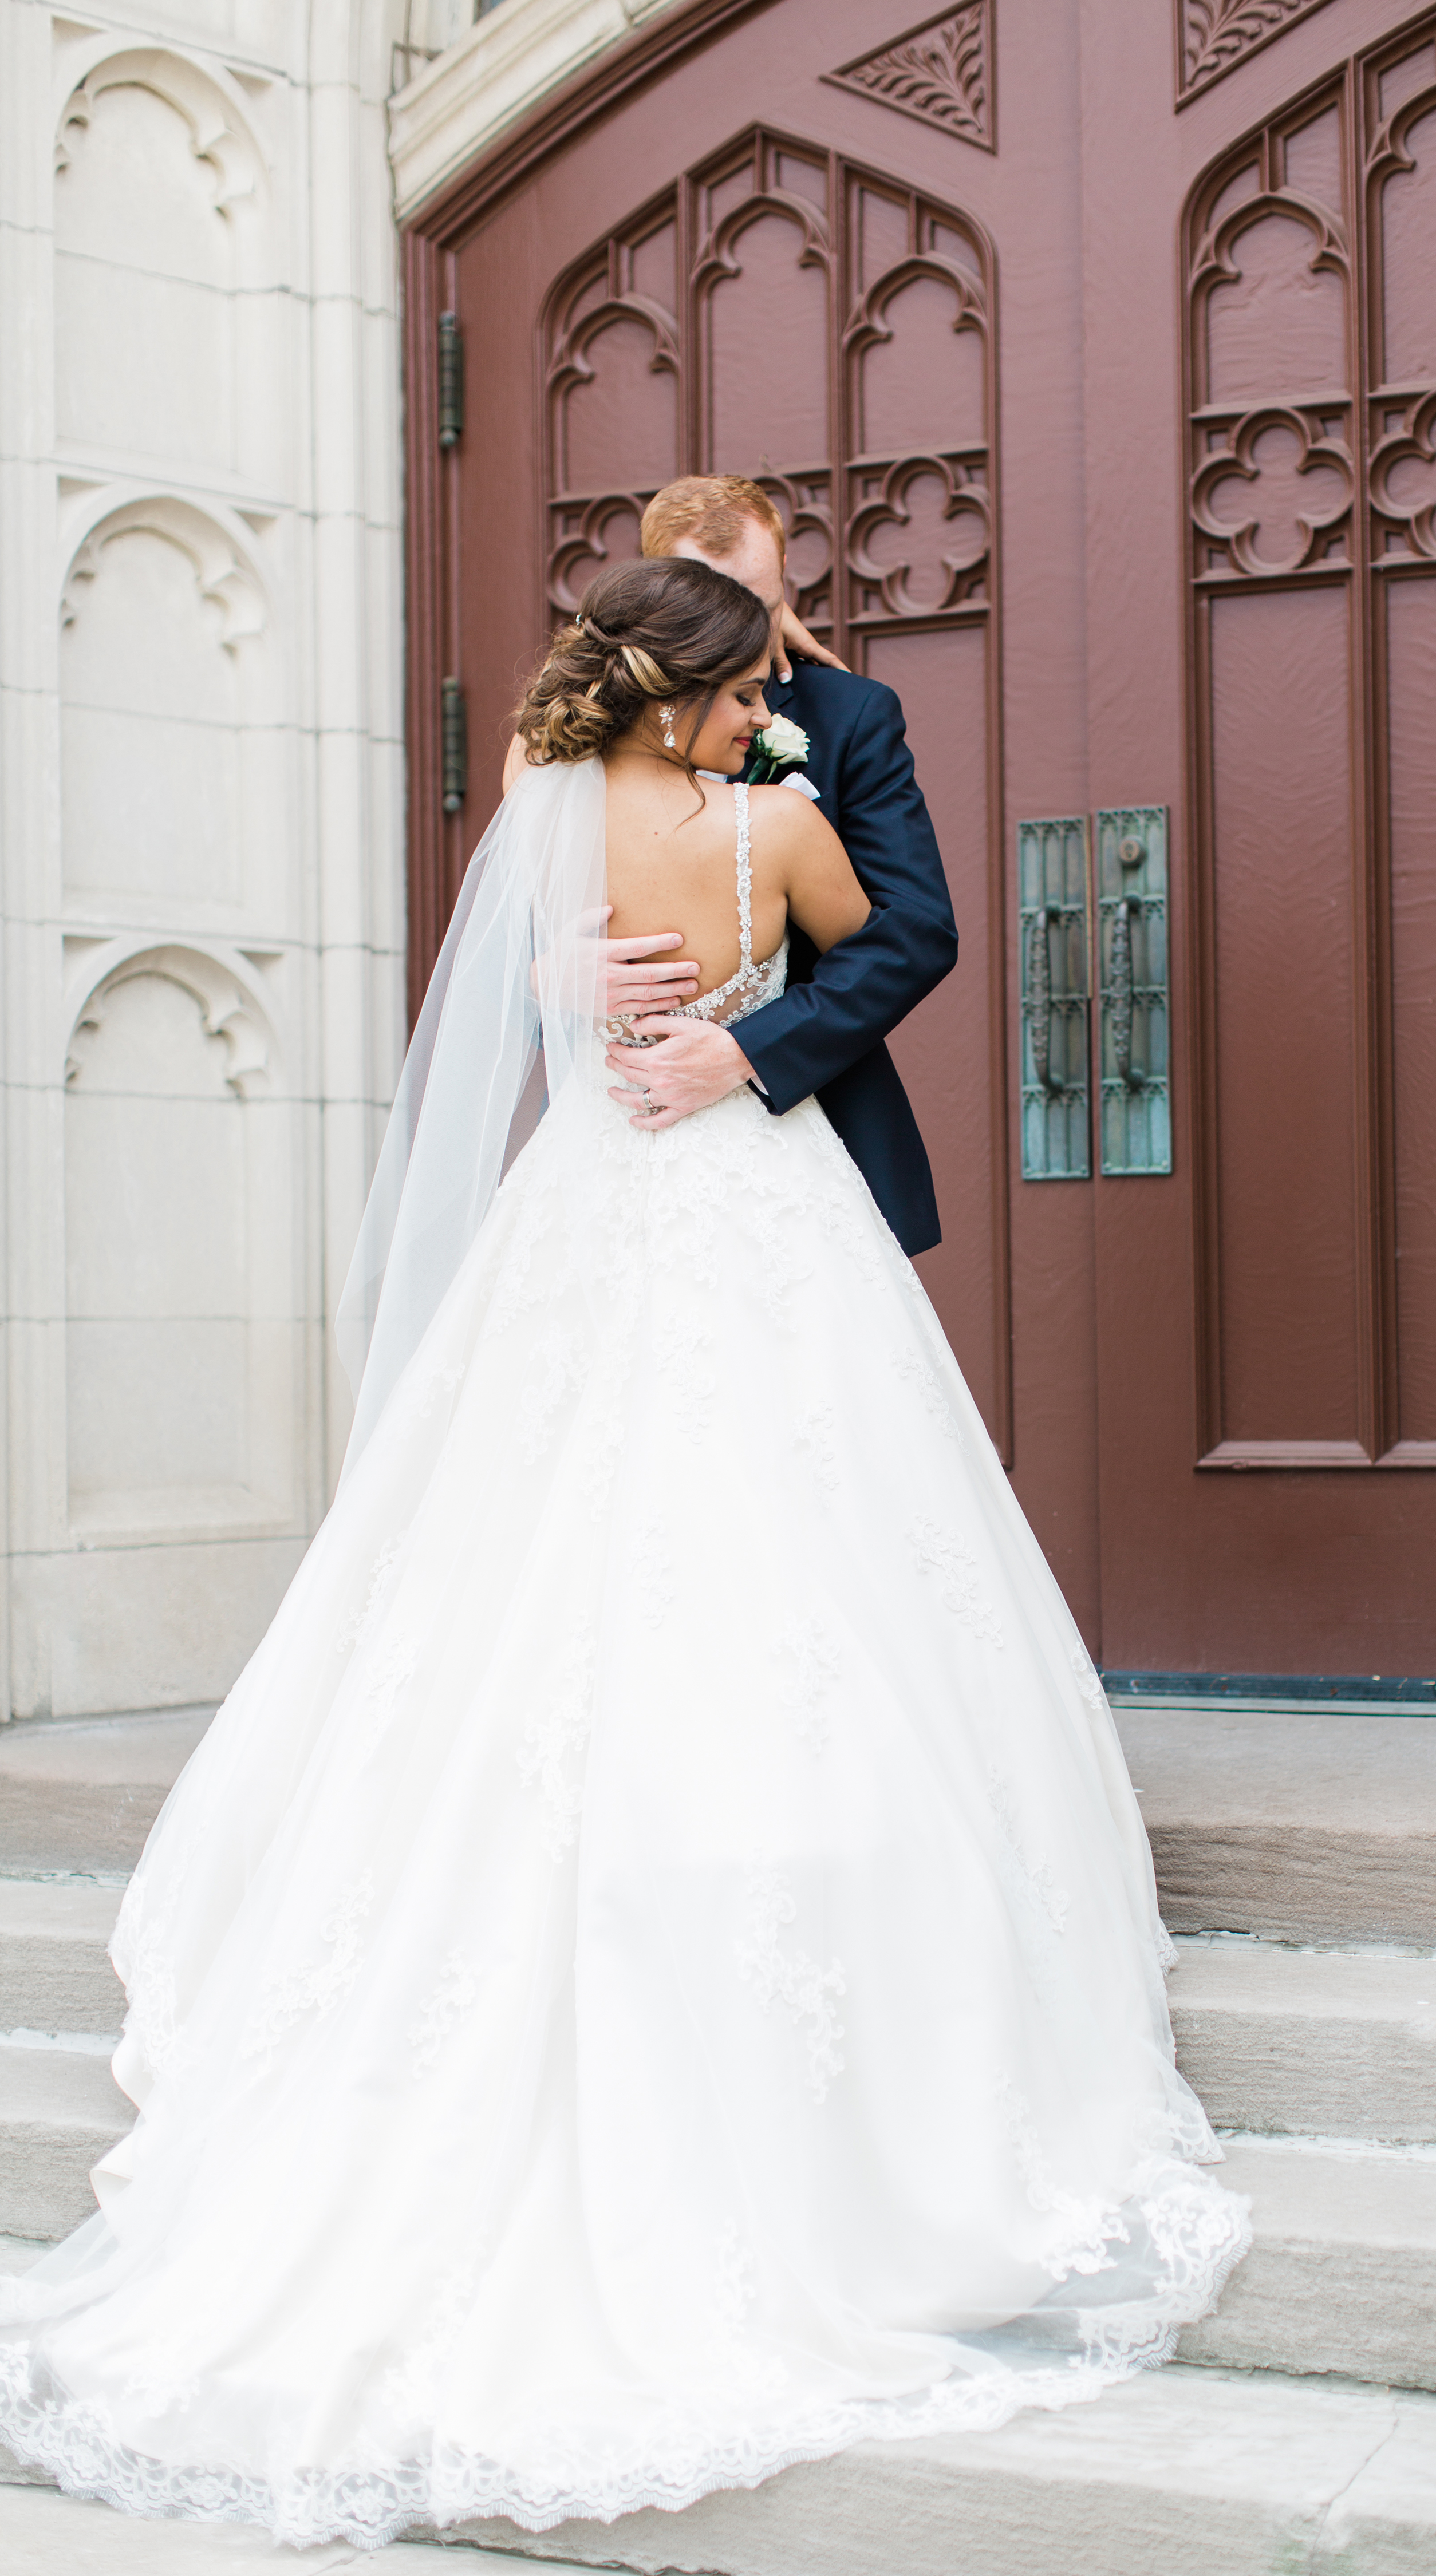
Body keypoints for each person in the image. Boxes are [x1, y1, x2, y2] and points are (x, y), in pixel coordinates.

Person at [0, 558, 1249, 2551]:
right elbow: (863, 925)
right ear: (701, 692)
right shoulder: (775, 819)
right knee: (806, 1533)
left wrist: (616, 1000)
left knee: (530, 1525)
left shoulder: (548, 812)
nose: (782, 695)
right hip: (749, 1206)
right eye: (756, 674)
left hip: (595, 1191)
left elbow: (570, 975)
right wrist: (748, 905)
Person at [506, 475, 956, 1256]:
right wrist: (546, 977)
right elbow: (499, 922)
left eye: (758, 598)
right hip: (608, 1135)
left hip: (801, 1137)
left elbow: (912, 932)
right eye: (714, 599)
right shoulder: (559, 751)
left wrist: (751, 1050)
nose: (741, 623)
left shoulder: (847, 714)